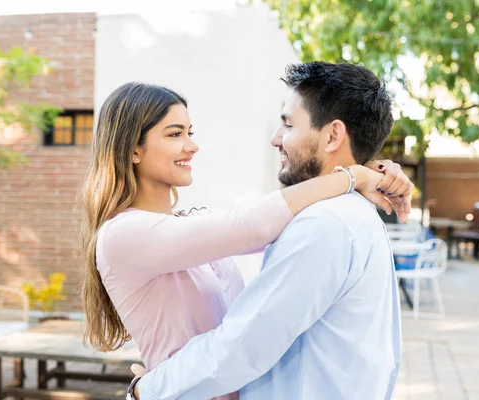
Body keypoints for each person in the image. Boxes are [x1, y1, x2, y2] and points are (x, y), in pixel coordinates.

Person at [79, 79, 411, 400]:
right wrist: (355, 175)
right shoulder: (123, 235)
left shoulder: (198, 221)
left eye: (189, 132)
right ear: (133, 150)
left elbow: (271, 219)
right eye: (175, 134)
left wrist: (371, 168)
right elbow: (255, 224)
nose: (192, 145)